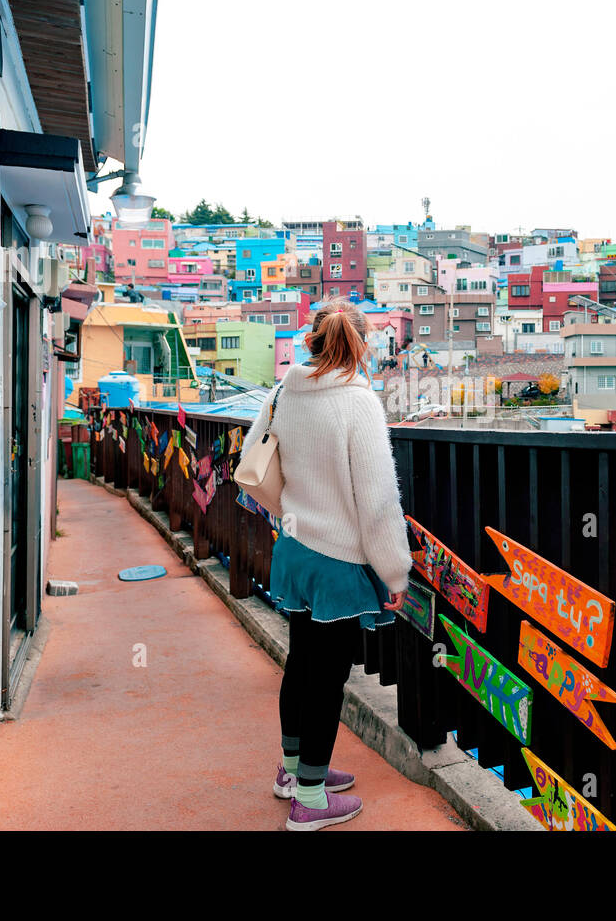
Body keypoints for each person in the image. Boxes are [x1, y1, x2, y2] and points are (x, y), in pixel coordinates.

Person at [239, 297, 413, 831]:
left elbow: (256, 461)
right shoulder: (358, 403)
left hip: (294, 550)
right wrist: (395, 570)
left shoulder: (283, 392)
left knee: (302, 663)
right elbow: (378, 498)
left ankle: (293, 771)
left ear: (312, 341)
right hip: (338, 561)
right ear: (360, 345)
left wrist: (294, 516)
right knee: (329, 677)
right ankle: (310, 801)